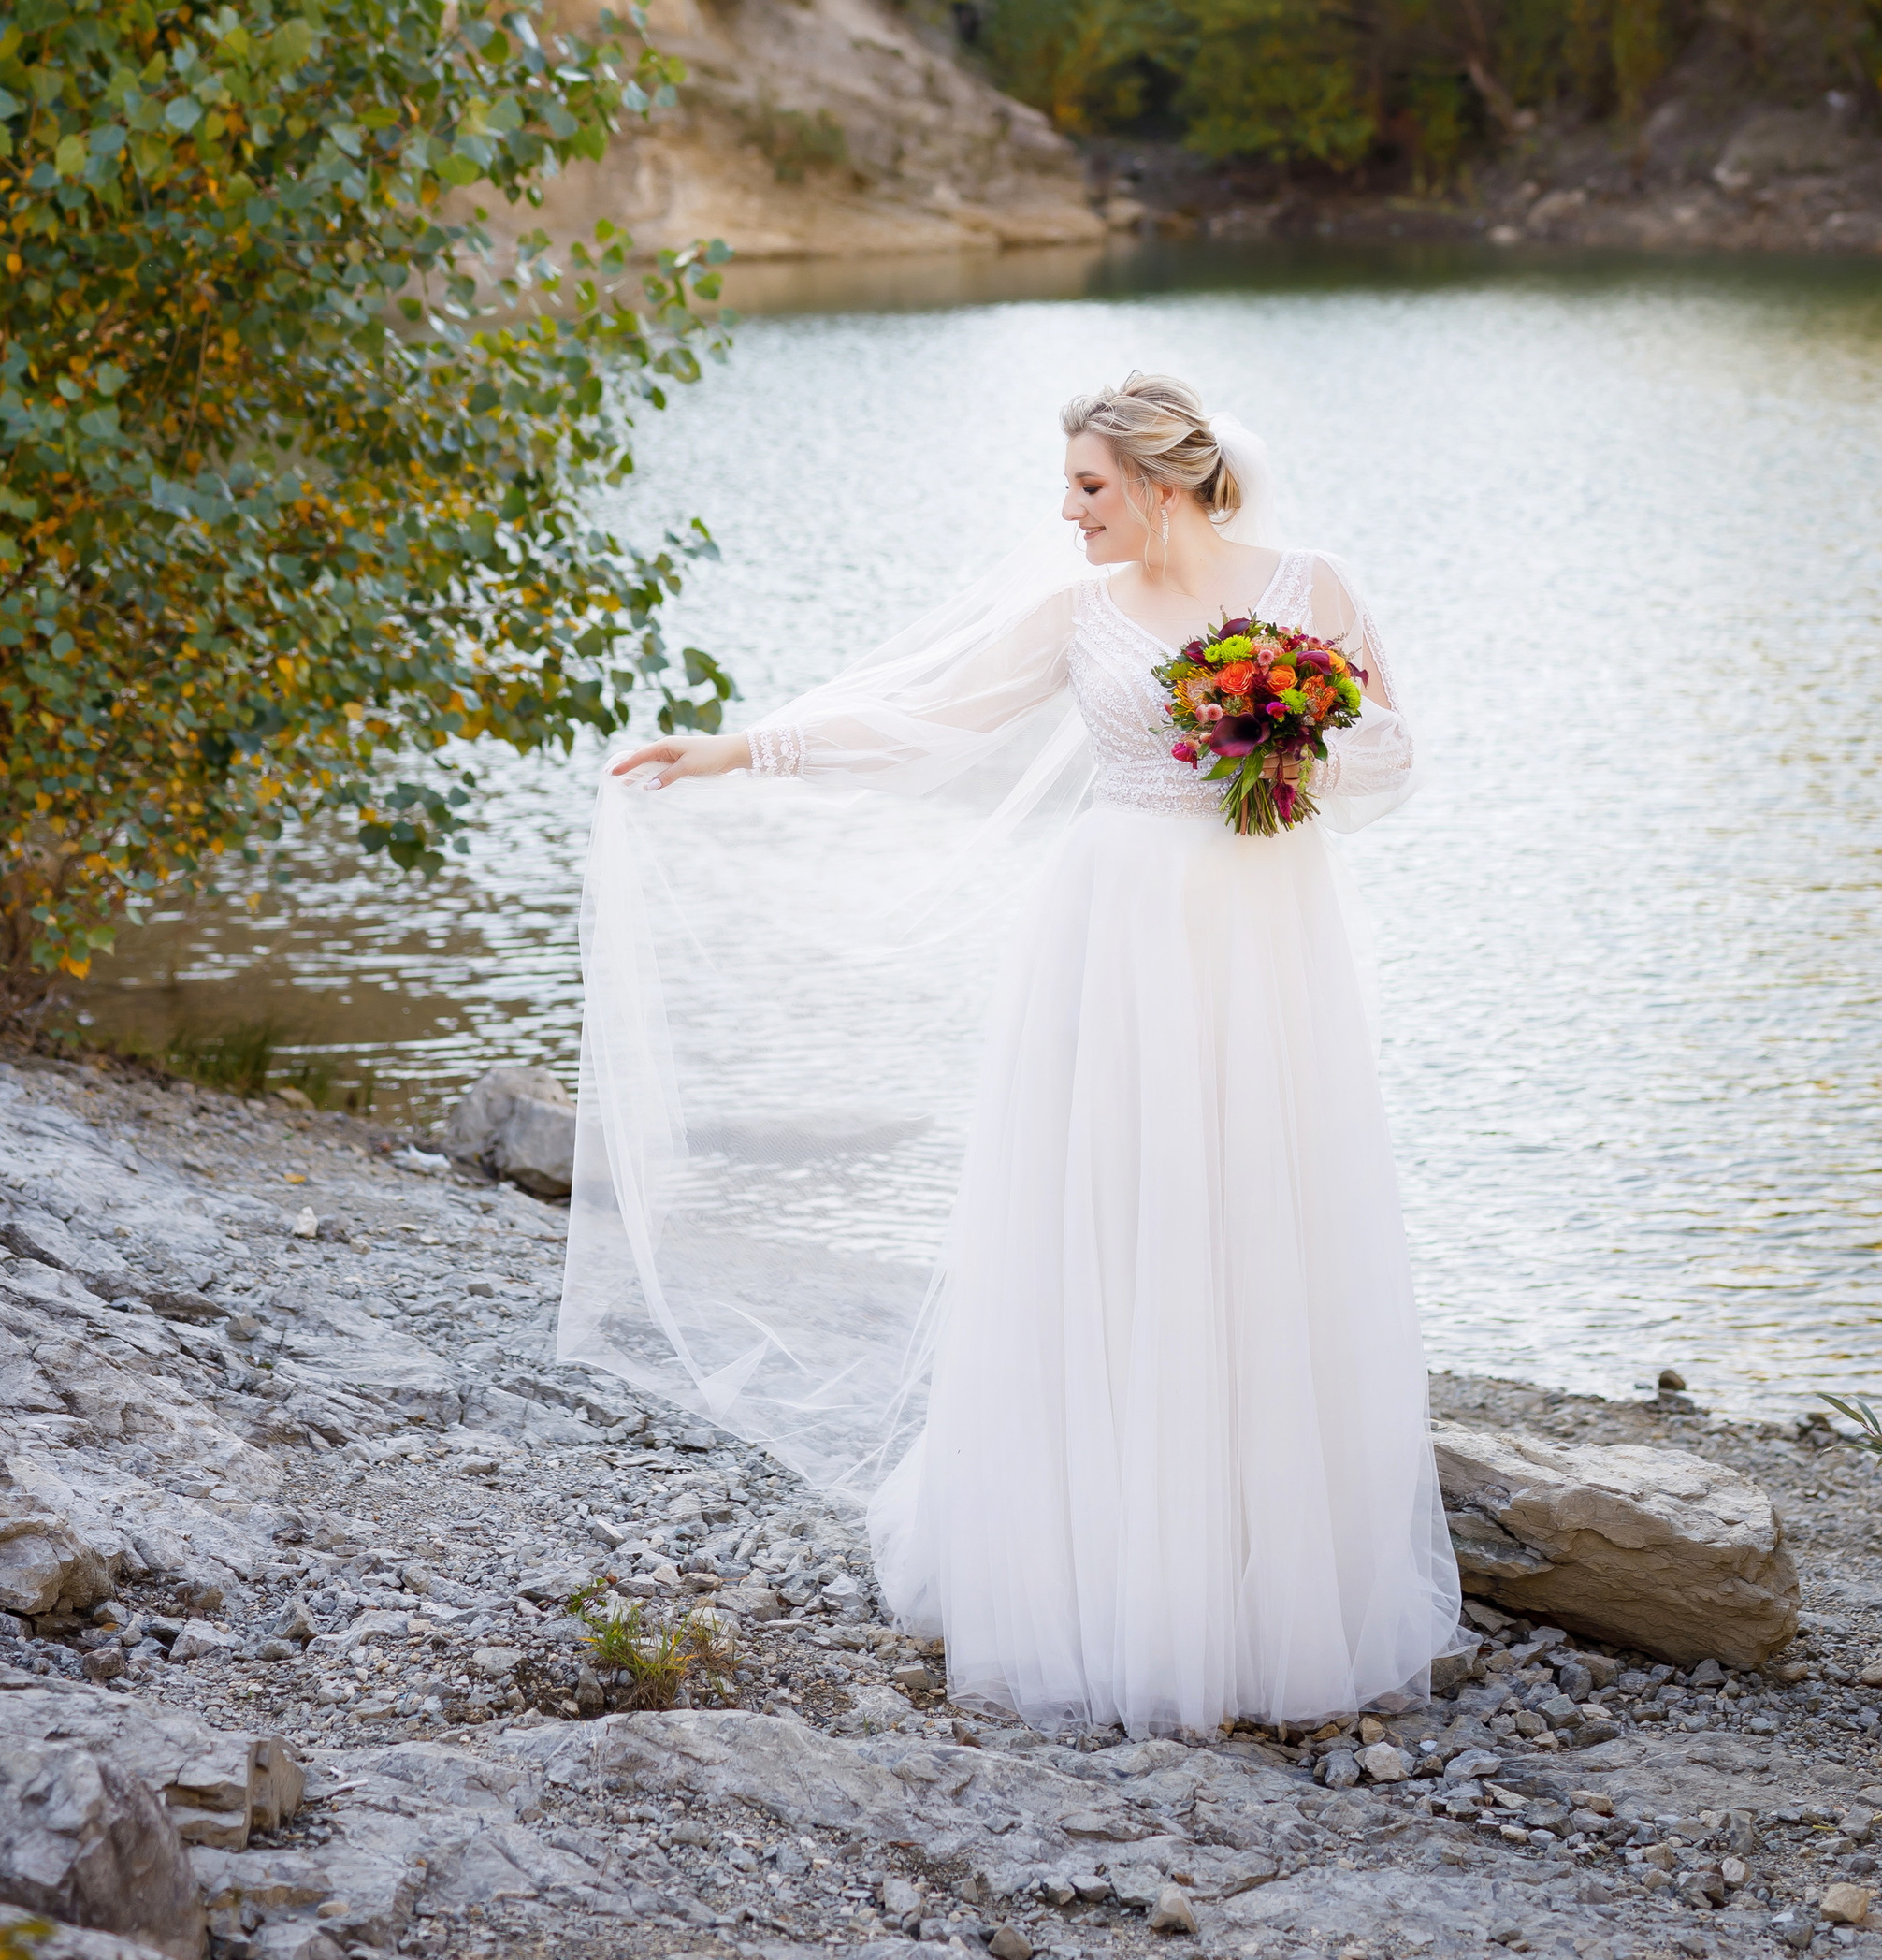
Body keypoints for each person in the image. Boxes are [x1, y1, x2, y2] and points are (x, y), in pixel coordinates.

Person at [564, 370, 1458, 1736]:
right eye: (1069, 486)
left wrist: (1288, 736)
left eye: (1090, 487)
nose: (1068, 511)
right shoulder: (1076, 610)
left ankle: (1259, 1582)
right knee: (1104, 1218)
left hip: (1265, 936)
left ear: (1164, 488)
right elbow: (931, 714)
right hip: (1111, 941)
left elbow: (1391, 753)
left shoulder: (1311, 586)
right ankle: (1102, 1571)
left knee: (1252, 1216)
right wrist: (742, 750)